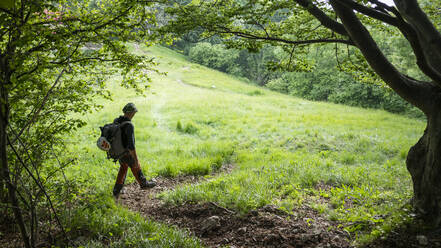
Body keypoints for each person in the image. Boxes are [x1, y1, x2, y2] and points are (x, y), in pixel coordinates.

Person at [113, 103, 156, 197]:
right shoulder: (129, 125)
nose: (134, 114)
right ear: (131, 113)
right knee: (136, 166)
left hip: (118, 151)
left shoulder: (116, 120)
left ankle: (117, 190)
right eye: (134, 112)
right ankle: (144, 184)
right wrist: (135, 158)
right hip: (126, 152)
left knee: (123, 167)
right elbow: (131, 145)